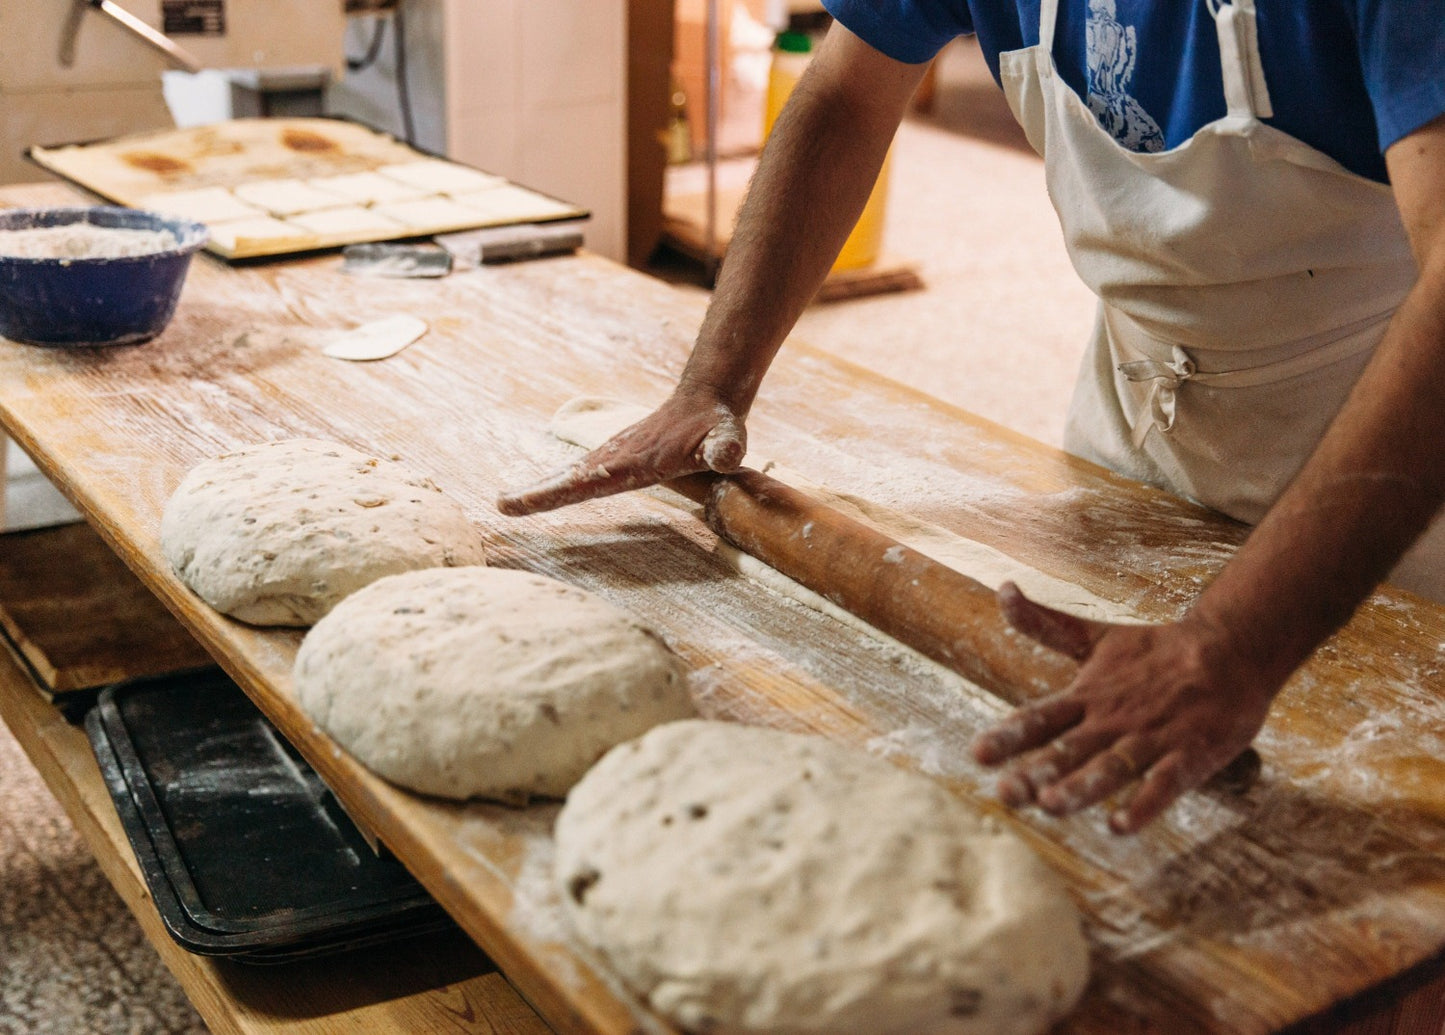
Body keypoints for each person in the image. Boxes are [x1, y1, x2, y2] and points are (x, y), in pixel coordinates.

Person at [499, 0, 1445, 834]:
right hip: (1137, 429)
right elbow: (843, 92)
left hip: (1388, 497)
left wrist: (1237, 642)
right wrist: (712, 382)